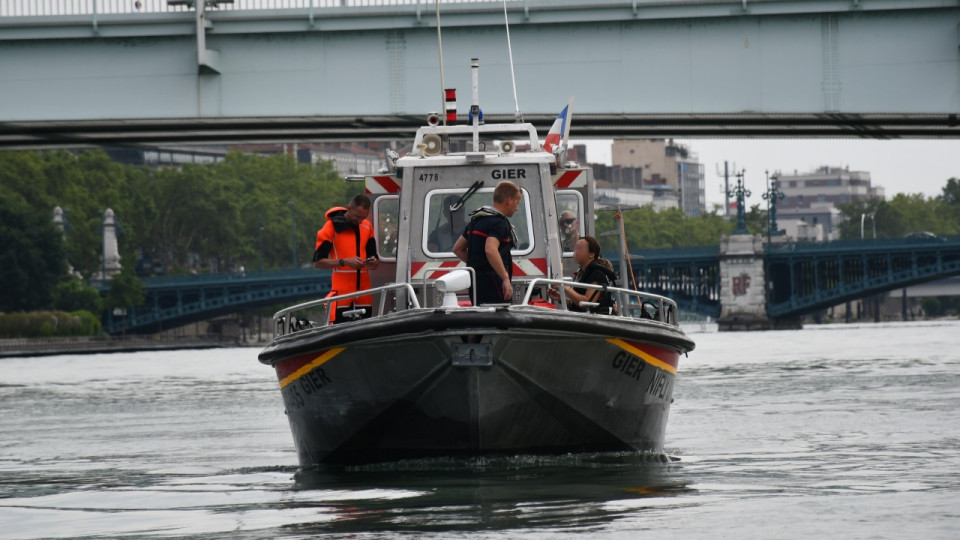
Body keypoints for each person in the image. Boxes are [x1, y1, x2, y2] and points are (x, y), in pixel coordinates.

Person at [313, 194, 380, 323]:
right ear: (349, 208)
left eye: (364, 218)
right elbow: (318, 262)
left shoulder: (367, 226)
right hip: (342, 293)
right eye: (358, 217)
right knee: (340, 328)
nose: (360, 221)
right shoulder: (330, 228)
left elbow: (373, 255)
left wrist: (374, 262)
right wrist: (345, 261)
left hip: (364, 293)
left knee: (365, 328)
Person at [452, 181, 522, 305]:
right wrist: (505, 278)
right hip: (494, 284)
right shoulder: (499, 223)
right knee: (500, 315)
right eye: (517, 203)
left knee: (479, 315)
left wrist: (479, 265)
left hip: (475, 283)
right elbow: (490, 250)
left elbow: (458, 249)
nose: (517, 208)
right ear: (509, 200)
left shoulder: (476, 220)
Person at [548, 236, 617, 313]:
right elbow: (578, 304)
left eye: (579, 248)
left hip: (594, 318)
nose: (575, 252)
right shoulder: (582, 273)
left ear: (591, 254)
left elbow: (587, 303)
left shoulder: (597, 274)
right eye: (575, 248)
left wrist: (566, 288)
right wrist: (560, 298)